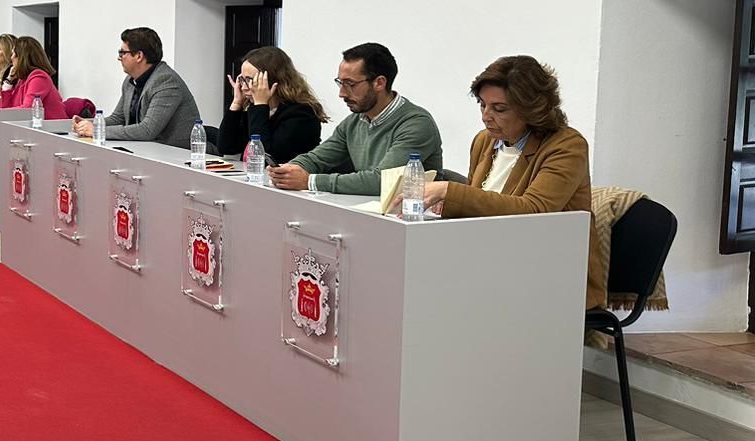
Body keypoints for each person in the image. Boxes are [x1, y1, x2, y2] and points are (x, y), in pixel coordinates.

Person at [399, 56, 604, 309]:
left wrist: (449, 191)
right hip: (493, 259)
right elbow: (480, 212)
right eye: (482, 105)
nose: (486, 116)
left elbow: (534, 211)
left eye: (499, 109)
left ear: (532, 109)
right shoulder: (484, 141)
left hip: (549, 271)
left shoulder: (566, 146)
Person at [269, 42, 443, 193]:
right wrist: (288, 170)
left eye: (350, 84)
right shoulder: (355, 121)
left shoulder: (416, 124)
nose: (342, 93)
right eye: (340, 83)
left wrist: (310, 181)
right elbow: (317, 158)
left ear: (379, 83)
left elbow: (382, 181)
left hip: (412, 221)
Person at [71, 27, 200, 149]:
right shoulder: (130, 81)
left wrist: (97, 130)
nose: (119, 58)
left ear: (139, 56)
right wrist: (90, 124)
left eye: (122, 53)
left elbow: (147, 130)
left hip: (177, 156)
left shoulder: (166, 81)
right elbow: (118, 118)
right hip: (146, 151)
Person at [219, 46, 326, 163]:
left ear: (273, 81)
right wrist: (236, 103)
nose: (244, 88)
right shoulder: (253, 109)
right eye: (242, 80)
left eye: (250, 81)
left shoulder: (301, 114)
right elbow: (226, 147)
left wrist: (260, 105)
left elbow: (266, 158)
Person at [10, 35, 68, 119]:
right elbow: (5, 110)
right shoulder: (23, 79)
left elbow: (27, 110)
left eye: (13, 54)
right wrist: (8, 82)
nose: (11, 58)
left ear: (22, 57)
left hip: (53, 129)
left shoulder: (39, 77)